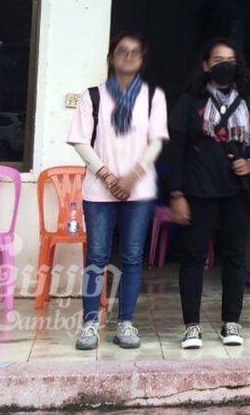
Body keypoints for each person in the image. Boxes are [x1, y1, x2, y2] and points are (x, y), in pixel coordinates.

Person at [168, 38, 250, 349]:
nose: (225, 64)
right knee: (194, 258)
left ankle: (231, 322)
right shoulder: (190, 100)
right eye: (218, 59)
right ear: (205, 65)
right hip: (199, 191)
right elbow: (175, 149)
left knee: (235, 257)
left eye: (230, 59)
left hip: (236, 193)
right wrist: (176, 193)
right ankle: (192, 326)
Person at [67, 32, 168, 351]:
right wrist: (109, 177)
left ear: (142, 58)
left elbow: (156, 142)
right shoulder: (92, 96)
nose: (128, 56)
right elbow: (81, 141)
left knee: (132, 257)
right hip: (99, 190)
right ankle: (90, 325)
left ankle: (125, 322)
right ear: (111, 56)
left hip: (139, 192)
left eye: (134, 52)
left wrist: (132, 177)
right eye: (121, 51)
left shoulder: (153, 97)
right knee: (96, 257)